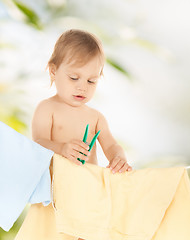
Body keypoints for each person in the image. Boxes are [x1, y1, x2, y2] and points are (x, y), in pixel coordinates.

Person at [31, 28, 132, 240]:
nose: (82, 87)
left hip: (88, 193)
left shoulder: (95, 117)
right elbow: (38, 144)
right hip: (56, 196)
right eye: (74, 77)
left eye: (91, 81)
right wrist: (61, 148)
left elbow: (111, 145)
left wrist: (119, 158)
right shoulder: (47, 109)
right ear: (53, 71)